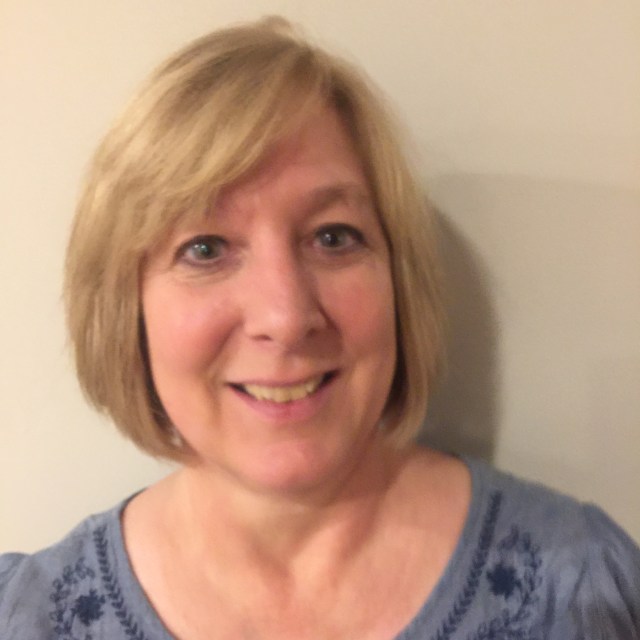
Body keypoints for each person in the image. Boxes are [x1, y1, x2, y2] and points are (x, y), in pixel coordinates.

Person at [0, 16, 638, 640]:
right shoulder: (31, 617)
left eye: (333, 237)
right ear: (124, 308)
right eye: (205, 249)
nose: (285, 316)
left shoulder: (580, 591)